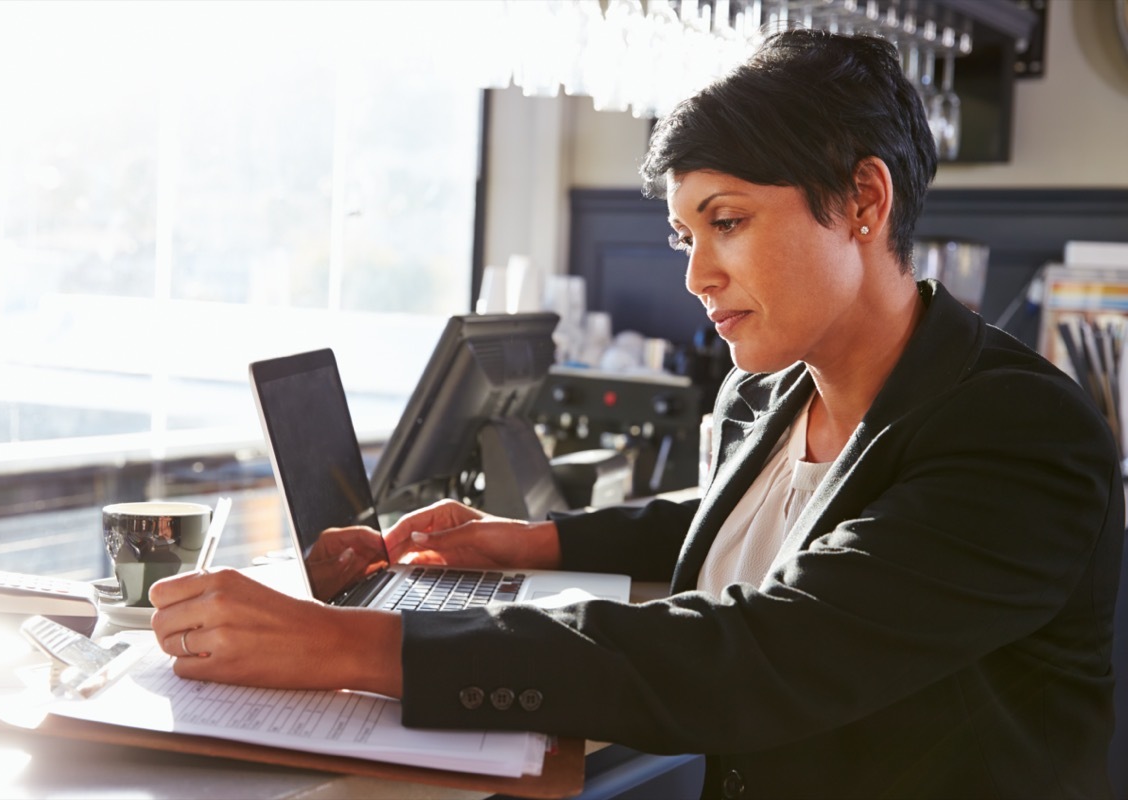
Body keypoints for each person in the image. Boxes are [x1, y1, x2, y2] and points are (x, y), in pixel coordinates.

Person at [149, 28, 1125, 798]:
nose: (697, 274)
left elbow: (766, 648)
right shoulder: (774, 390)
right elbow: (753, 516)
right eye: (681, 233)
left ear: (864, 199)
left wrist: (343, 645)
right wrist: (528, 542)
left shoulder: (1022, 434)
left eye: (728, 221)